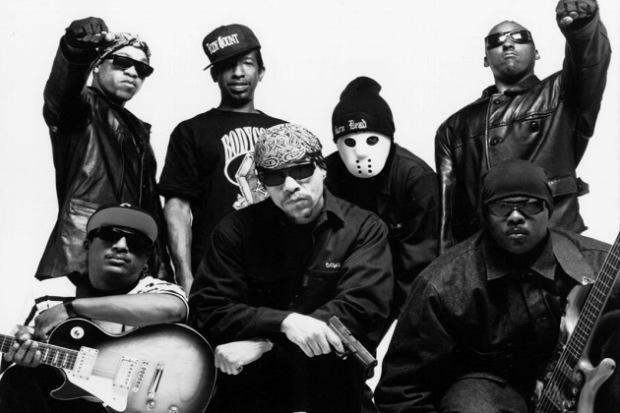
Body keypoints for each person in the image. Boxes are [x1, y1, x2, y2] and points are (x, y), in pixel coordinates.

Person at [374, 160, 620, 412]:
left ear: (548, 210)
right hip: (489, 397)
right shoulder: (442, 285)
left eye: (530, 205)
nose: (515, 216)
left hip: (586, 395)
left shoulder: (601, 266)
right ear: (485, 215)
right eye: (502, 207)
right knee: (471, 400)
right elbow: (401, 393)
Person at [189, 123, 393, 413]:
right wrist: (286, 323)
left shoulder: (364, 229)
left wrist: (268, 341)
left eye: (301, 170)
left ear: (322, 168)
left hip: (333, 388)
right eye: (274, 176)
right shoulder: (235, 230)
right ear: (262, 182)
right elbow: (209, 308)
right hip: (252, 392)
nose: (290, 186)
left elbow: (362, 308)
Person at [435, 0, 611, 253]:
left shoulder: (562, 94)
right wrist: (447, 268)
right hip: (485, 257)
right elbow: (448, 218)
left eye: (519, 37)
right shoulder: (455, 127)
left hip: (556, 246)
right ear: (485, 59)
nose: (507, 44)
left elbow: (589, 63)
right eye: (496, 41)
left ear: (536, 52)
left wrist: (582, 28)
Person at [0, 204, 188, 412]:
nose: (121, 246)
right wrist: (22, 358)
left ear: (146, 260)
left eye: (136, 242)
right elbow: (16, 356)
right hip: (67, 404)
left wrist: (71, 308)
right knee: (18, 378)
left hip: (141, 405)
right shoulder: (49, 292)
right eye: (110, 235)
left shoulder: (156, 290)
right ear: (87, 245)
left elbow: (174, 310)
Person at [36, 17, 171, 281]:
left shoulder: (137, 131)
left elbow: (150, 211)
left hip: (130, 268)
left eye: (142, 68)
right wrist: (77, 49)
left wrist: (162, 275)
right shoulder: (81, 110)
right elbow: (62, 93)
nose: (132, 72)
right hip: (82, 261)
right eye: (122, 62)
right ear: (97, 65)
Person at [159, 23, 284, 294]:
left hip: (279, 268)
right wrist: (185, 277)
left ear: (261, 71)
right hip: (215, 270)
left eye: (247, 63)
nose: (238, 73)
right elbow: (177, 208)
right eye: (228, 65)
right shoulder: (191, 131)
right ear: (215, 74)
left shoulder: (283, 132)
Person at [326, 76, 439, 317]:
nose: (360, 152)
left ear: (389, 137)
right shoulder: (325, 175)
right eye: (349, 141)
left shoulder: (416, 180)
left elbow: (420, 262)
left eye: (371, 139)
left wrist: (403, 322)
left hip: (400, 299)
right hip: (345, 295)